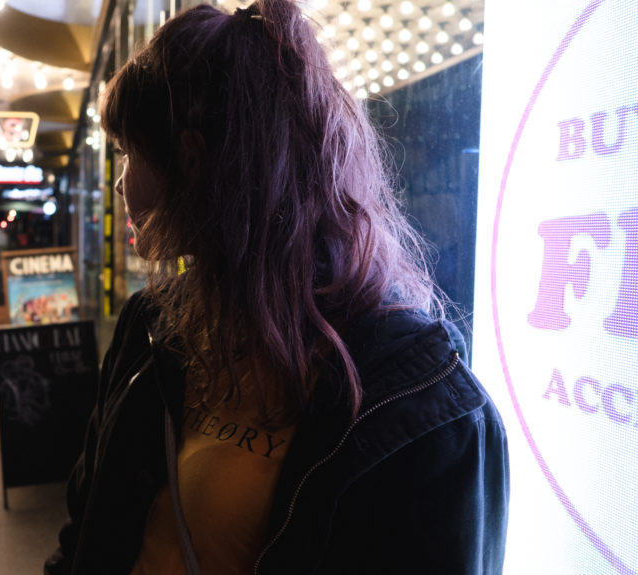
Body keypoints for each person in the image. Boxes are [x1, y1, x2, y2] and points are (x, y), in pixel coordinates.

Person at [45, 1, 509, 574]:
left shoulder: (426, 404)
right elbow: (85, 526)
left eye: (127, 152)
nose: (119, 183)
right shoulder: (149, 323)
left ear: (191, 159)